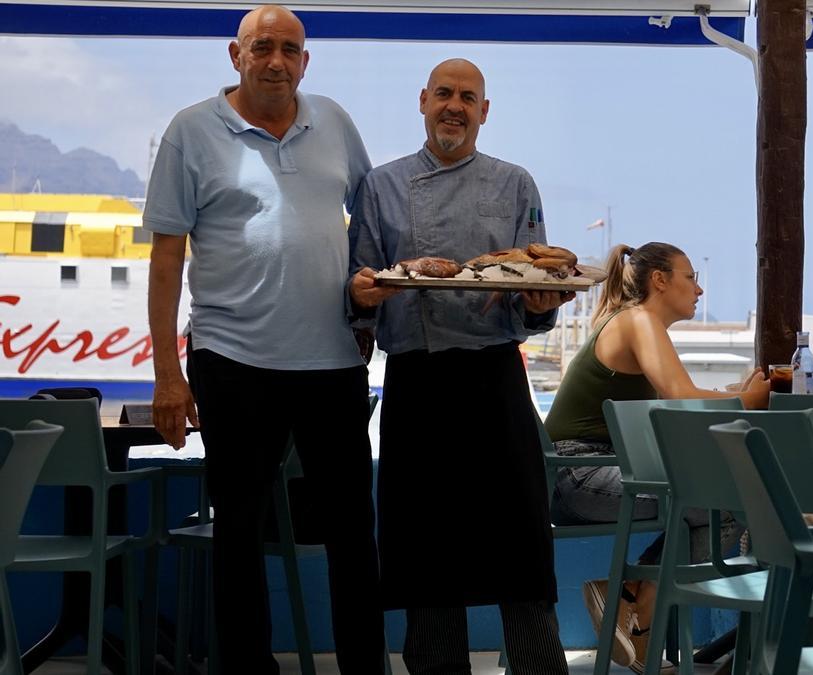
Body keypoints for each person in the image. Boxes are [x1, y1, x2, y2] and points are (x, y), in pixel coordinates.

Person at [144, 6, 384, 673]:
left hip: (333, 360)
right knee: (239, 531)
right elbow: (167, 260)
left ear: (305, 61)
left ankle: (365, 665)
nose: (275, 60)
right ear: (236, 54)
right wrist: (170, 374)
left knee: (352, 534)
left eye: (289, 49)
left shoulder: (333, 121)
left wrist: (367, 315)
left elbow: (371, 223)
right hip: (231, 361)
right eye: (262, 48)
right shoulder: (191, 131)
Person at [346, 58, 573, 675]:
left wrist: (539, 302)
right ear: (422, 101)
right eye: (443, 94)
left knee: (521, 543)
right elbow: (360, 286)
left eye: (467, 97)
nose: (454, 106)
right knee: (426, 554)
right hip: (416, 383)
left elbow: (539, 287)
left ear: (484, 111)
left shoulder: (515, 183)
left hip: (495, 378)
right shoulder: (382, 185)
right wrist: (363, 295)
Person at [543, 242, 769, 673]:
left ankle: (631, 598)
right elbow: (681, 397)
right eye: (691, 277)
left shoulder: (633, 323)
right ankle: (634, 600)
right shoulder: (638, 320)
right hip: (578, 475)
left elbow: (678, 402)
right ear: (660, 280)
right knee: (733, 499)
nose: (699, 291)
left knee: (723, 503)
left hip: (581, 473)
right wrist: (748, 399)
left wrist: (734, 396)